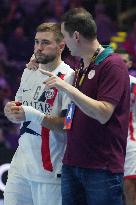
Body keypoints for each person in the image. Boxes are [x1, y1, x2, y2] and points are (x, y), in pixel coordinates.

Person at [39, 8, 130, 205]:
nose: (64, 43)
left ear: (77, 36)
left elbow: (104, 113)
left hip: (101, 168)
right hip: (73, 164)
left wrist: (66, 88)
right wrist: (36, 62)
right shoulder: (82, 66)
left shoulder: (112, 65)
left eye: (64, 37)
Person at [4, 22, 74, 205]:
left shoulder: (69, 77)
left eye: (45, 43)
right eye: (36, 42)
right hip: (20, 165)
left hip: (49, 170)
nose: (38, 48)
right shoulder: (30, 70)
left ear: (61, 46)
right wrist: (9, 110)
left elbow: (68, 125)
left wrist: (34, 115)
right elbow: (17, 105)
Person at [117, 49, 136, 205]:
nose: (121, 65)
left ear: (129, 64)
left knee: (129, 185)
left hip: (130, 140)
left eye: (124, 61)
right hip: (106, 141)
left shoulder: (134, 83)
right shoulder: (103, 81)